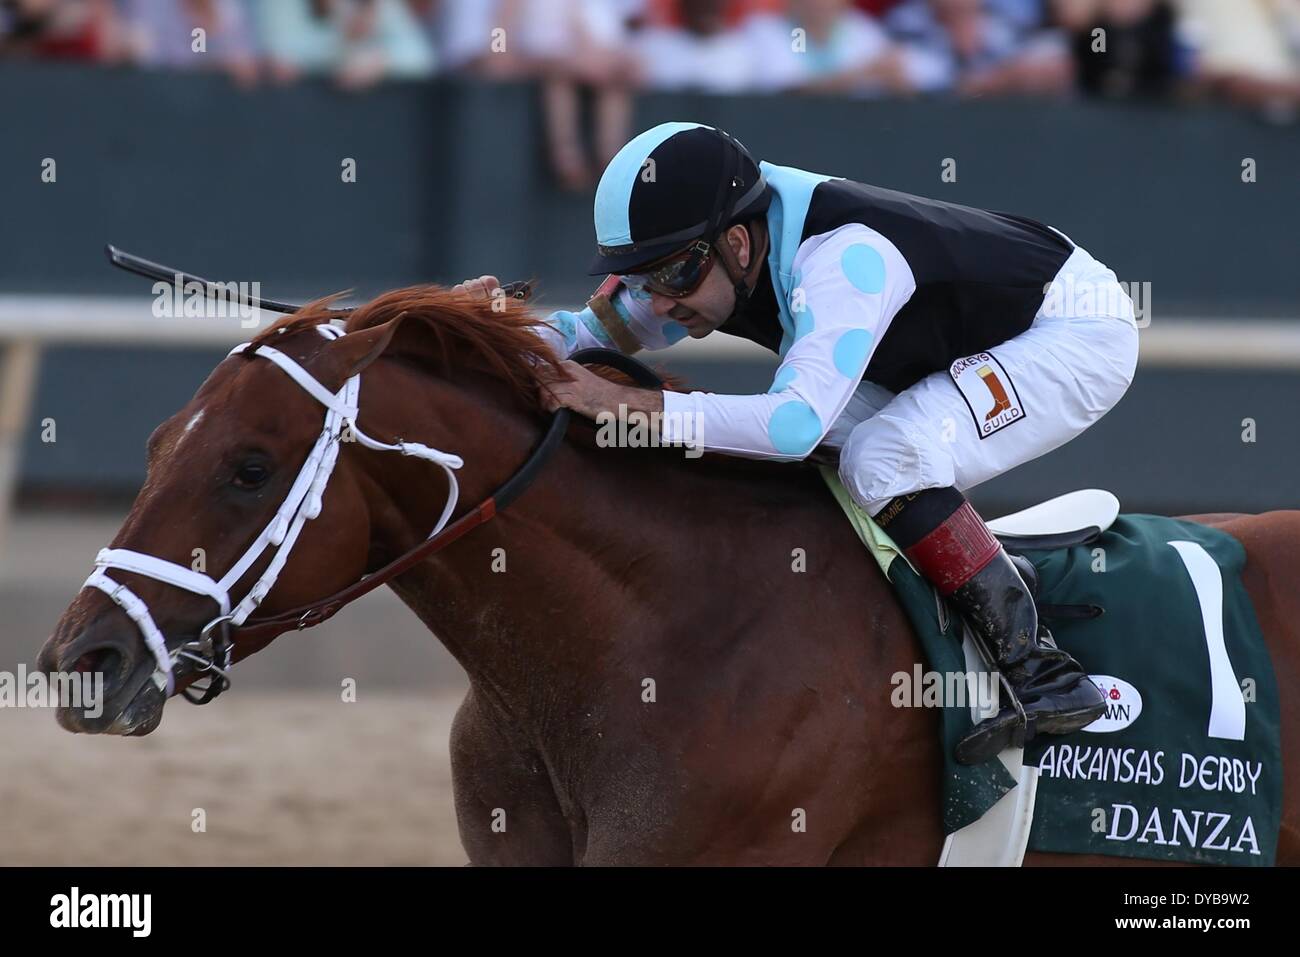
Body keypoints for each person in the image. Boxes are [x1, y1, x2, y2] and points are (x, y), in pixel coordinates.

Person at [456, 122, 1139, 764]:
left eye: (672, 277)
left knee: (882, 455)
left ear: (739, 244)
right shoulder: (712, 245)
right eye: (641, 277)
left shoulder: (845, 258)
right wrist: (493, 336)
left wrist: (636, 403)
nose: (657, 302)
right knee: (846, 445)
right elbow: (587, 332)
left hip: (1071, 331)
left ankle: (1042, 671)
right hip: (962, 333)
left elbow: (790, 427)